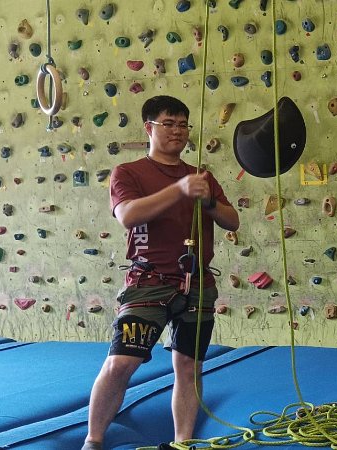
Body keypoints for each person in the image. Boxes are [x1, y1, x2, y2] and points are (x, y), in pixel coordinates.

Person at [83, 95, 239, 450]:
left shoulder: (201, 177)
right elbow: (128, 215)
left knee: (189, 366)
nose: (177, 131)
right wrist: (178, 190)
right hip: (148, 282)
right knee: (122, 362)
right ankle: (93, 440)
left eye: (183, 125)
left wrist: (208, 201)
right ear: (149, 128)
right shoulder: (129, 173)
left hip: (196, 283)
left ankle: (182, 442)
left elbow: (232, 221)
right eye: (168, 124)